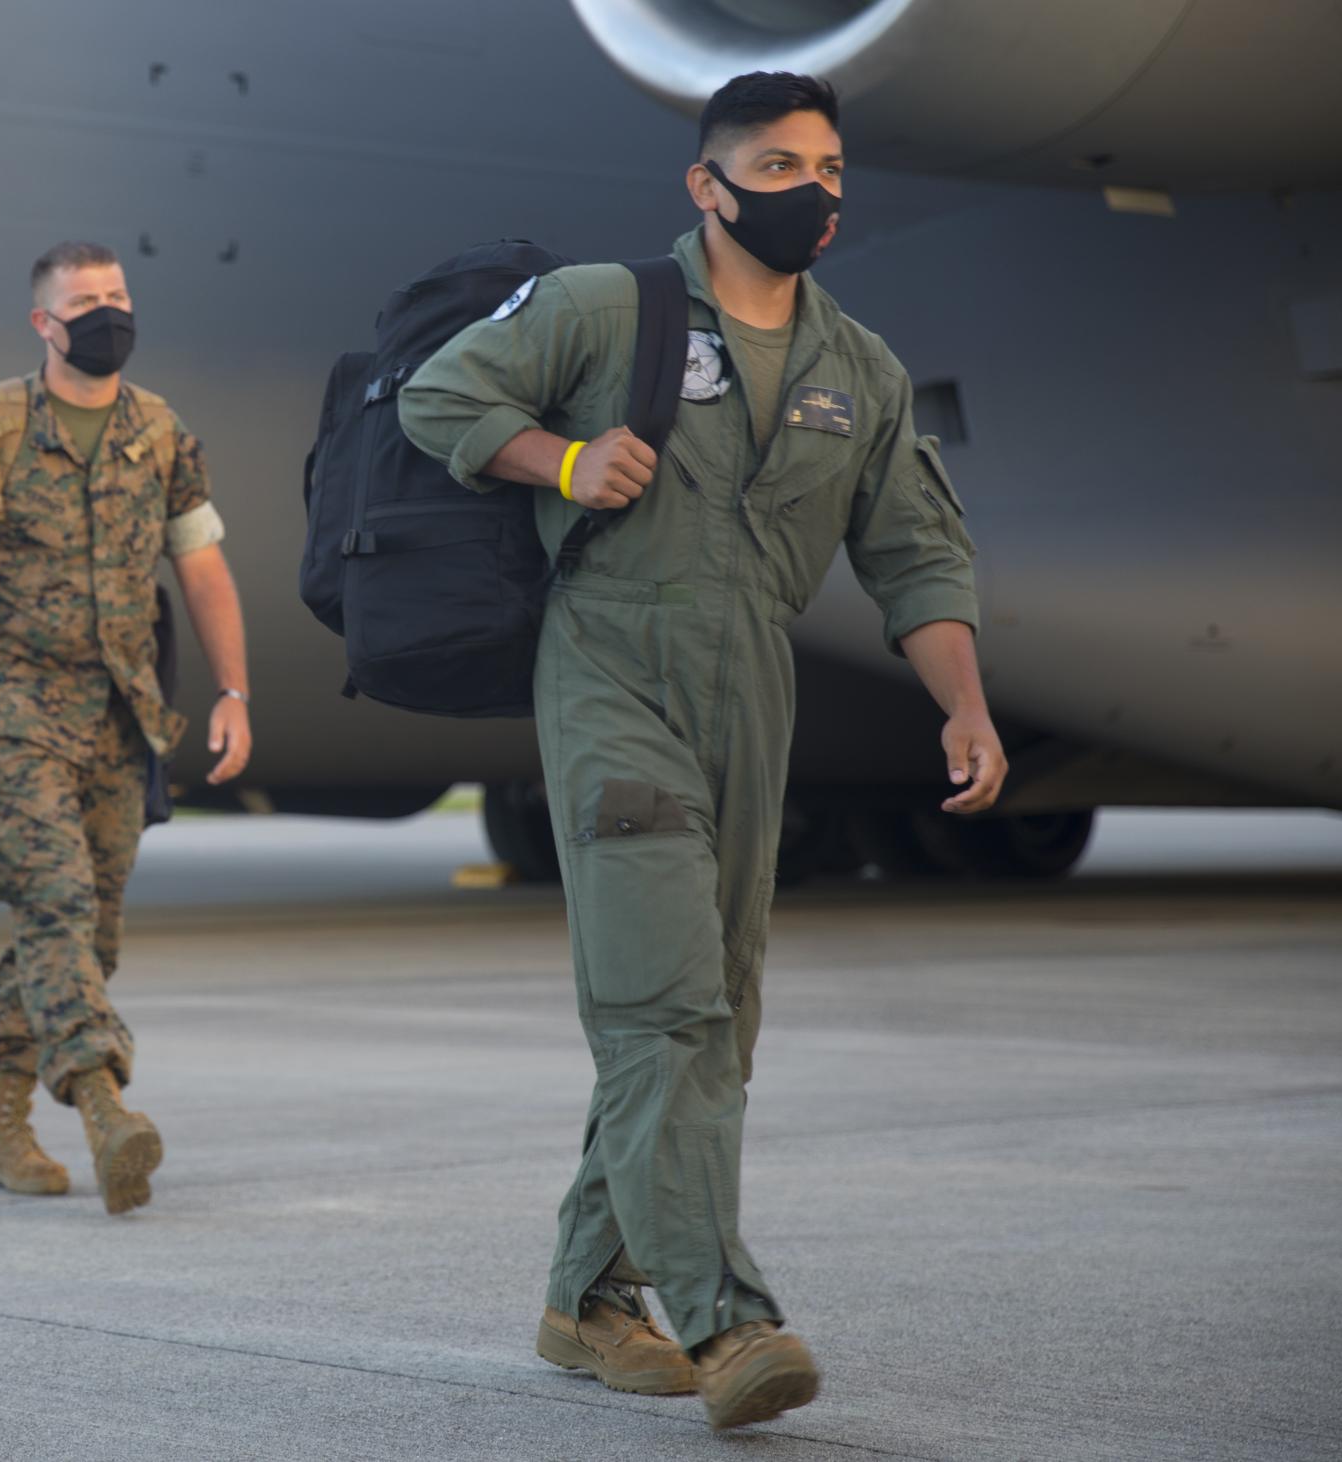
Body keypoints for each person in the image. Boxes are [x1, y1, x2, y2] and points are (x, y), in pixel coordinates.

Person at [400, 73, 1007, 1429]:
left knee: (712, 1017)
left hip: (756, 674)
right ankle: (728, 1318)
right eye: (779, 163)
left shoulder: (859, 366)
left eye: (830, 165)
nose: (814, 189)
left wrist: (962, 703)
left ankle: (587, 1298)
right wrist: (557, 463)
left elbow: (916, 550)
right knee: (661, 1004)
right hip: (614, 661)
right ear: (708, 184)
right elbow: (441, 400)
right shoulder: (602, 308)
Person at [0, 241, 255, 1215]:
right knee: (54, 905)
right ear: (43, 324)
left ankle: (1, 1123)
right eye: (83, 301)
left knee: (88, 932)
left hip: (117, 718)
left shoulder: (159, 430)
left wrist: (233, 691)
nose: (105, 312)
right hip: (6, 712)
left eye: (116, 296)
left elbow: (201, 567)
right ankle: (103, 1105)